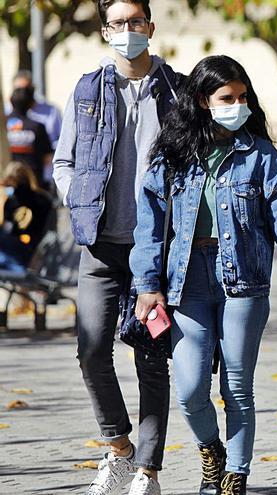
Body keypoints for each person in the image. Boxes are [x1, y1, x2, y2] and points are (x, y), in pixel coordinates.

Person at [130, 55, 277, 495]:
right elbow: (148, 227)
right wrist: (147, 285)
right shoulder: (173, 156)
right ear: (202, 100)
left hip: (244, 280)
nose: (237, 105)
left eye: (243, 98)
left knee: (237, 384)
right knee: (192, 388)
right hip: (186, 281)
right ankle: (210, 450)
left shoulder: (261, 156)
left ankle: (236, 474)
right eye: (226, 98)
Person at [52, 0, 183, 492]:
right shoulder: (88, 88)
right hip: (101, 247)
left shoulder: (179, 91)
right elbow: (64, 162)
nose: (127, 31)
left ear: (150, 26)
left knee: (151, 358)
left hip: (158, 251)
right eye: (118, 24)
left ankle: (147, 471)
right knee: (90, 351)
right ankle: (119, 447)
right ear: (105, 30)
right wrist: (78, 200)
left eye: (135, 23)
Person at [0, 162, 53, 273]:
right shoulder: (44, 198)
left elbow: (9, 228)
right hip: (37, 249)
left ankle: (19, 271)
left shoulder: (14, 200)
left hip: (25, 249)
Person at [7, 87, 53, 189]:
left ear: (10, 100)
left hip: (6, 180)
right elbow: (48, 157)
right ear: (32, 104)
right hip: (33, 184)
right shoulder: (37, 127)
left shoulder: (3, 126)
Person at [6, 70, 64, 149]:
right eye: (18, 90)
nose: (22, 94)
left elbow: (61, 140)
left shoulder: (51, 111)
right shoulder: (6, 113)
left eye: (26, 90)